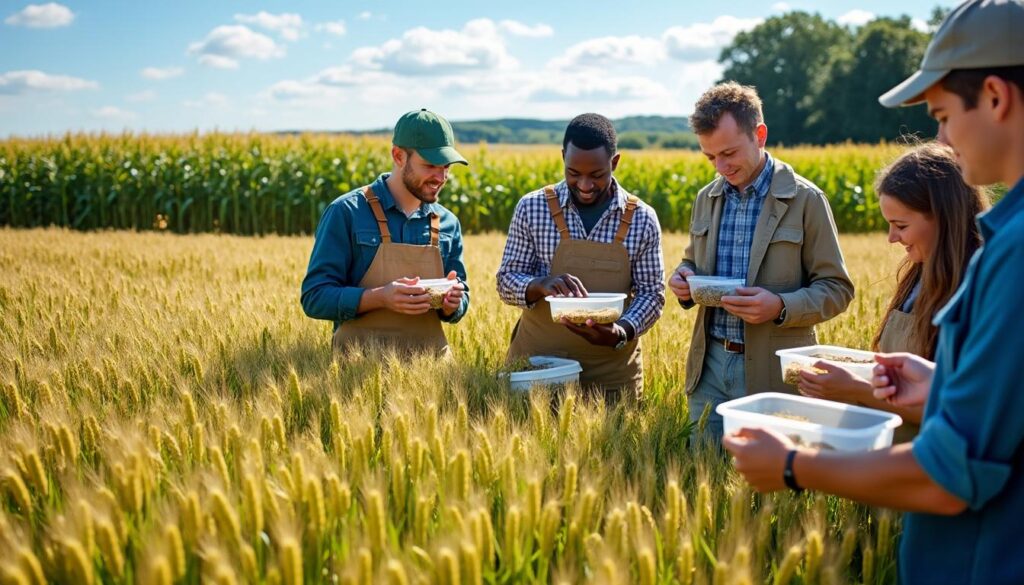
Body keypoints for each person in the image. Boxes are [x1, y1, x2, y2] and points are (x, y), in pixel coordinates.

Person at [723, 1, 1024, 582]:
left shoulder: (1012, 253)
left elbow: (949, 475)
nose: (941, 136)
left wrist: (791, 466)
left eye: (941, 114)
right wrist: (940, 388)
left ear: (995, 96)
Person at [668, 82, 854, 439]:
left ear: (760, 135)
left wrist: (780, 306)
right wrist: (684, 278)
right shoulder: (706, 198)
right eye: (710, 157)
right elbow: (693, 261)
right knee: (702, 478)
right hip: (708, 368)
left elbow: (837, 289)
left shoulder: (806, 200)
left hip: (772, 372)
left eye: (729, 153)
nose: (721, 166)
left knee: (770, 490)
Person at [795, 143, 987, 441]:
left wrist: (855, 388)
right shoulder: (919, 275)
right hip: (893, 460)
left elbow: (965, 412)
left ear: (942, 216)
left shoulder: (981, 288)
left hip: (937, 467)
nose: (891, 238)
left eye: (900, 225)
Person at [496, 113, 665, 401]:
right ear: (563, 157)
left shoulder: (642, 219)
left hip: (611, 376)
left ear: (615, 163)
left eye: (597, 175)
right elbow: (506, 281)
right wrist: (540, 284)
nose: (585, 185)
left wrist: (621, 331)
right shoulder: (532, 208)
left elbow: (652, 294)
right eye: (573, 173)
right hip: (538, 369)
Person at [301, 109, 470, 354]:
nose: (440, 177)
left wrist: (453, 303)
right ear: (399, 156)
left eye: (446, 167)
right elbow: (314, 297)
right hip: (357, 373)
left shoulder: (448, 223)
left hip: (431, 375)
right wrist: (381, 297)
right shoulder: (346, 212)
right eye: (430, 165)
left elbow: (462, 300)